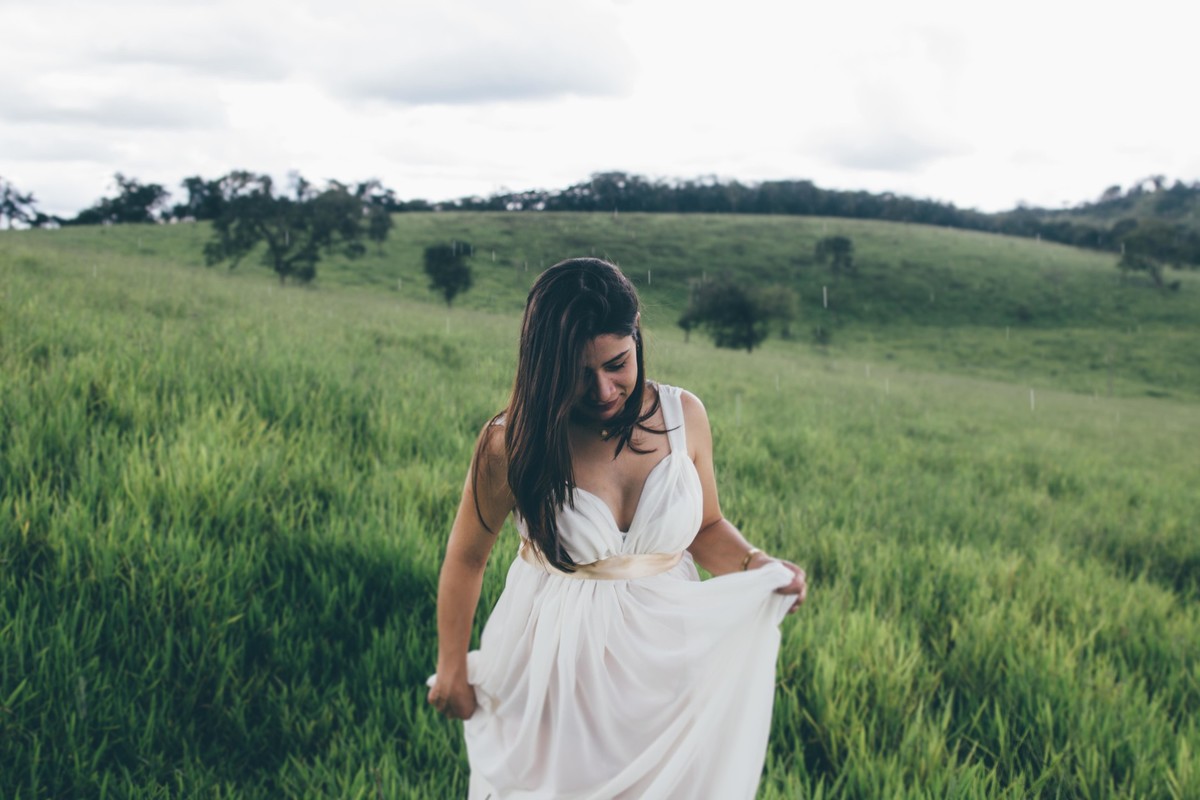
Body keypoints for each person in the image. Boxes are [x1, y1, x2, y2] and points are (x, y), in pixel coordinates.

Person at [427, 257, 807, 799]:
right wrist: (451, 668)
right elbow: (468, 557)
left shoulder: (683, 416)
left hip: (666, 669)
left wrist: (756, 563)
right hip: (557, 670)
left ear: (636, 338)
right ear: (543, 365)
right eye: (579, 373)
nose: (603, 389)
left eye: (617, 364)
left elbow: (705, 528)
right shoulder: (511, 443)